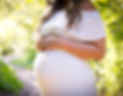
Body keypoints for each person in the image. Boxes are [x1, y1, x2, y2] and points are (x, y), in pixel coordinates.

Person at [34, 0, 106, 96]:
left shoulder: (85, 5)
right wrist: (41, 42)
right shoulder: (53, 7)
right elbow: (40, 43)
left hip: (75, 83)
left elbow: (99, 52)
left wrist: (57, 42)